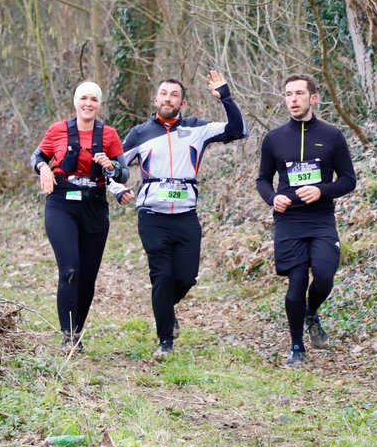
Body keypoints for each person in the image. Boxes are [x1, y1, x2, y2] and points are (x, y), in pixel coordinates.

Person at [117, 70, 246, 355]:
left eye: (174, 95)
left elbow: (238, 130)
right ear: (155, 99)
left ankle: (164, 306)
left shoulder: (197, 128)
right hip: (152, 216)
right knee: (162, 275)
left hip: (186, 215)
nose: (168, 99)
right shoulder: (139, 133)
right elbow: (115, 167)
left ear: (182, 103)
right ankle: (165, 341)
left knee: (187, 277)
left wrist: (225, 97)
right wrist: (117, 188)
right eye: (164, 94)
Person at [256, 74, 356, 367]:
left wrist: (322, 190)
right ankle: (296, 346)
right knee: (297, 280)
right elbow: (262, 179)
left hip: (321, 219)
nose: (293, 99)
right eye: (288, 94)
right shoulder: (274, 139)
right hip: (289, 220)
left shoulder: (332, 136)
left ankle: (311, 313)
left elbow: (348, 179)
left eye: (299, 93)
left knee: (324, 275)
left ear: (313, 98)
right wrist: (272, 197)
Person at [30, 81, 132, 349]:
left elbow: (124, 173)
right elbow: (36, 157)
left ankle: (76, 332)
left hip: (94, 205)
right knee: (70, 269)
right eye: (84, 98)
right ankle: (67, 335)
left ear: (99, 105)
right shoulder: (57, 130)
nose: (88, 104)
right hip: (61, 203)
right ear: (75, 101)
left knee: (87, 276)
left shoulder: (109, 134)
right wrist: (43, 168)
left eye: (94, 100)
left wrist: (111, 167)